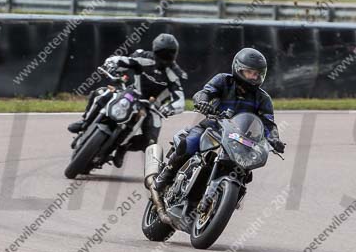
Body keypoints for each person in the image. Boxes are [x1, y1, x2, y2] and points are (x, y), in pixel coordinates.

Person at [153, 47, 285, 200]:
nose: (253, 77)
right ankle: (165, 176)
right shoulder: (223, 80)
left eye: (257, 74)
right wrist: (203, 102)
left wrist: (274, 138)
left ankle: (228, 197)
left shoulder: (263, 98)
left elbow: (268, 123)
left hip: (240, 139)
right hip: (212, 127)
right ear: (238, 68)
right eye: (249, 72)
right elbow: (206, 92)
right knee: (189, 144)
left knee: (245, 172)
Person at [68, 33, 186, 167]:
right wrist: (112, 64)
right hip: (133, 92)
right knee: (101, 93)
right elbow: (123, 60)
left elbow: (180, 100)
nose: (164, 58)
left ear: (174, 55)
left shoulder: (176, 74)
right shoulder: (143, 57)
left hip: (153, 107)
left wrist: (169, 108)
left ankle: (123, 147)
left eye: (168, 55)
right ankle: (85, 122)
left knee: (151, 141)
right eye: (161, 53)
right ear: (155, 51)